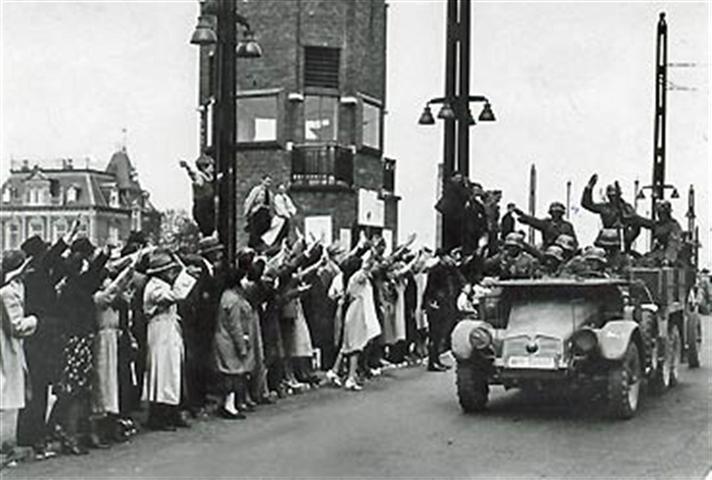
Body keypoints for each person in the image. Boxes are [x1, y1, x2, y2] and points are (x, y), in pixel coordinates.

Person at [17, 219, 80, 459]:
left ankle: (33, 434)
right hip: (40, 336)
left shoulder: (36, 275)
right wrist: (68, 238)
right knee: (38, 387)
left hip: (41, 335)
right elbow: (52, 258)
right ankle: (32, 437)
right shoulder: (36, 272)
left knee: (39, 388)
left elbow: (58, 268)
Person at [90, 255, 138, 445]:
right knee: (103, 384)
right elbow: (112, 291)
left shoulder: (116, 301)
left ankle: (111, 425)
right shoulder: (98, 298)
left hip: (114, 340)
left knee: (113, 384)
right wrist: (127, 272)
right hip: (102, 341)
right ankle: (98, 429)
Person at [143, 250, 190, 431]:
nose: (172, 273)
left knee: (173, 370)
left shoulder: (162, 284)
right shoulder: (155, 287)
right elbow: (176, 296)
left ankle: (172, 411)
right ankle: (159, 415)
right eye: (169, 270)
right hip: (160, 330)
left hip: (169, 330)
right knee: (162, 372)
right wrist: (186, 276)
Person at [0, 251, 37, 467]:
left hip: (9, 346)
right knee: (8, 394)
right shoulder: (7, 293)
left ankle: (7, 445)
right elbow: (16, 326)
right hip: (7, 347)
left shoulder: (14, 288)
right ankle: (5, 446)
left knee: (10, 393)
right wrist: (34, 321)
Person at [213, 266, 256, 420]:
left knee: (227, 373)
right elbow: (235, 326)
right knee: (233, 374)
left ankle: (225, 404)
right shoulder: (234, 300)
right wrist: (242, 346)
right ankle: (229, 406)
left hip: (221, 337)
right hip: (229, 341)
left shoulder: (225, 296)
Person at [581, 174, 640, 251]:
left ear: (619, 195)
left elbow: (637, 223)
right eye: (611, 196)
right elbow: (587, 204)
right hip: (606, 239)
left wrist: (630, 236)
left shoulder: (627, 207)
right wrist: (589, 188)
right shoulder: (604, 207)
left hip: (622, 239)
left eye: (614, 195)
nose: (613, 198)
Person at [634, 200, 683, 266]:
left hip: (669, 256)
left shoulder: (673, 226)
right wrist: (634, 218)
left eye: (662, 213)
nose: (660, 216)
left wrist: (667, 258)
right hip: (657, 253)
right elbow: (645, 222)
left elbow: (673, 243)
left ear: (667, 213)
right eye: (659, 213)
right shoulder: (658, 225)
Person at [180, 154, 215, 237]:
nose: (213, 169)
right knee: (207, 227)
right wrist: (187, 167)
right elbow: (192, 174)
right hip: (203, 208)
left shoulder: (209, 178)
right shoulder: (199, 177)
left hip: (209, 207)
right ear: (204, 167)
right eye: (211, 166)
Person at [435, 172, 470, 252]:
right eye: (457, 179)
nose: (459, 181)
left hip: (452, 213)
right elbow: (465, 194)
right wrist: (466, 185)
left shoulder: (449, 186)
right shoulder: (453, 188)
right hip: (453, 214)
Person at [244, 174, 273, 249]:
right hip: (257, 214)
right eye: (267, 181)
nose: (268, 184)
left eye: (269, 182)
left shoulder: (270, 193)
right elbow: (250, 201)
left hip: (265, 215)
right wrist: (247, 213)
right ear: (262, 181)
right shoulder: (257, 190)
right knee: (254, 233)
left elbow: (270, 205)